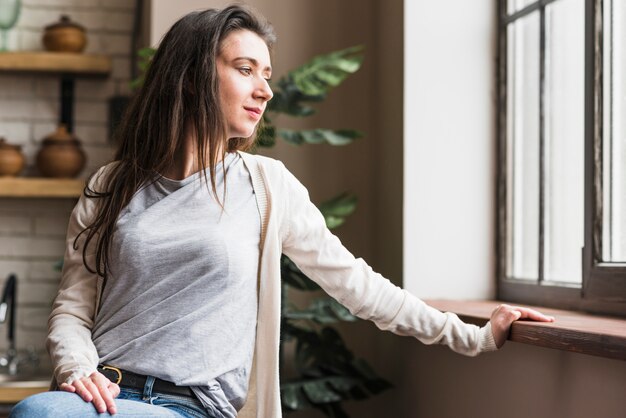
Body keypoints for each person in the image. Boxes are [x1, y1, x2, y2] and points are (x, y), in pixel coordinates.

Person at [10, 5, 554, 418]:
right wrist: (78, 370)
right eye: (246, 69)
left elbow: (360, 287)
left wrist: (475, 335)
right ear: (193, 75)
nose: (265, 89)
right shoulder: (111, 186)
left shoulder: (265, 186)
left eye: (266, 73)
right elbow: (73, 308)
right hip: (101, 395)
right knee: (41, 410)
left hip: (189, 407)